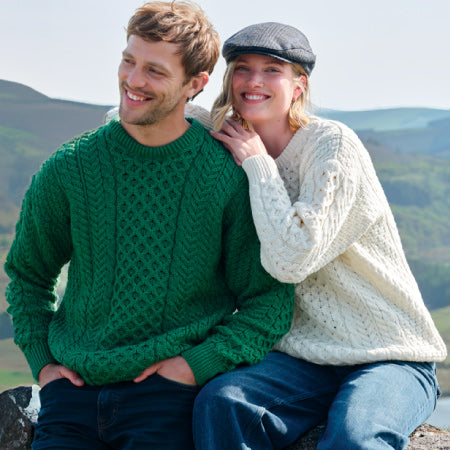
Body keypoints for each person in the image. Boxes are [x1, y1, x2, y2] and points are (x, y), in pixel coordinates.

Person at [4, 5, 294, 449]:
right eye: (128, 61)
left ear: (195, 84)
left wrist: (194, 365)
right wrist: (43, 364)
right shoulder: (69, 168)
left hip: (169, 398)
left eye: (155, 71)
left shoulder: (224, 177)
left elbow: (267, 302)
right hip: (71, 397)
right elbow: (27, 276)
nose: (133, 80)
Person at [186, 22, 447, 449]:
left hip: (390, 356)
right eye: (242, 68)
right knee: (222, 402)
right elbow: (129, 120)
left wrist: (259, 166)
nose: (253, 81)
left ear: (299, 85)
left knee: (356, 437)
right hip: (300, 360)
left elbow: (292, 259)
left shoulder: (331, 145)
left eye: (272, 70)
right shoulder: (228, 142)